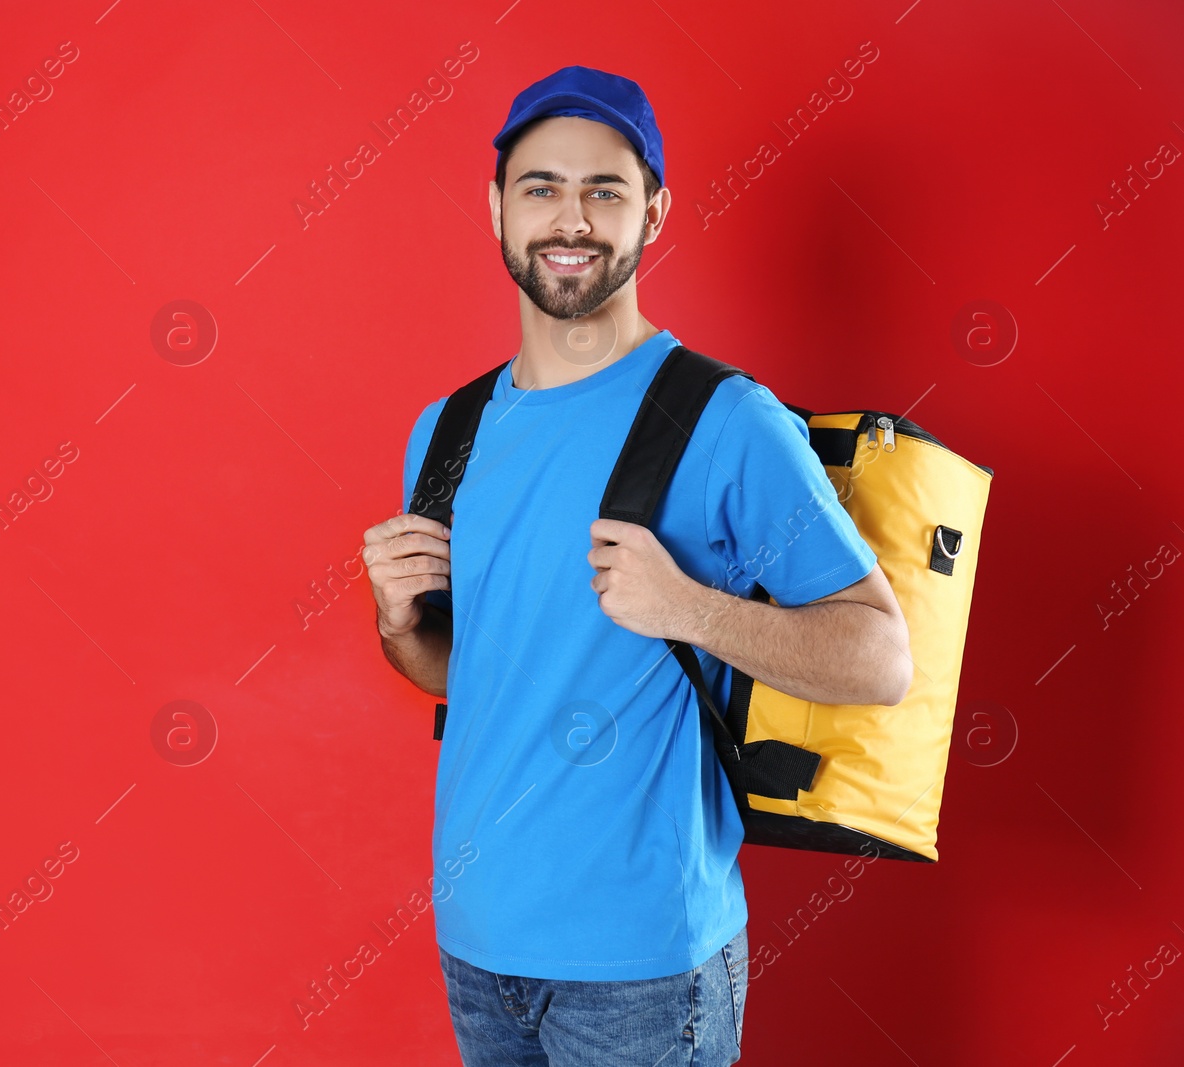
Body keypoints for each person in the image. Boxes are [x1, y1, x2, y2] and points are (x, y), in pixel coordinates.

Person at [362, 65, 911, 1065]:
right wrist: (402, 627)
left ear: (652, 211)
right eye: (540, 187)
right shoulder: (447, 431)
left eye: (603, 190)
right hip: (478, 942)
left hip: (643, 965)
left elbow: (880, 659)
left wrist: (689, 607)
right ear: (495, 207)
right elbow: (474, 672)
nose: (568, 217)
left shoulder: (724, 418)